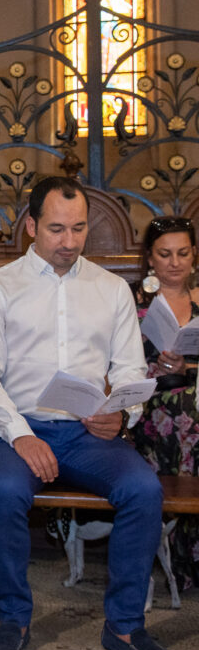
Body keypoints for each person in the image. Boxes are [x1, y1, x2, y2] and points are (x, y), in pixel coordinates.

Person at [0, 176, 184, 650]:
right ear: (31, 226)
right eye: (56, 229)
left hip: (88, 432)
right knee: (3, 493)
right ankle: (13, 620)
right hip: (15, 428)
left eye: (79, 228)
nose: (68, 242)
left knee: (143, 490)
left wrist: (121, 413)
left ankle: (125, 627)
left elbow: (130, 368)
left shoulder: (109, 290)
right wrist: (20, 434)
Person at [130, 216, 199, 591]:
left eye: (183, 253)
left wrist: (189, 367)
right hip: (150, 403)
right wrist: (151, 367)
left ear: (194, 255)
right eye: (165, 254)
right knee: (182, 413)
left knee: (190, 409)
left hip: (195, 394)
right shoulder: (133, 300)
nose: (175, 262)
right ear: (150, 259)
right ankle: (180, 554)